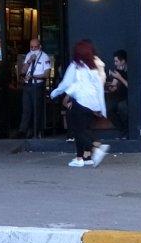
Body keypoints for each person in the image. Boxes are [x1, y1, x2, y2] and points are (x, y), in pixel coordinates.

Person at [50, 39, 109, 167]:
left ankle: (96, 146)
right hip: (93, 103)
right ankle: (85, 158)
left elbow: (66, 83)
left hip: (81, 101)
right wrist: (102, 107)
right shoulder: (95, 66)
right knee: (84, 128)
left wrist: (55, 93)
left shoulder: (75, 66)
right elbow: (99, 87)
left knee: (78, 130)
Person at [19, 38, 51, 137]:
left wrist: (34, 76)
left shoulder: (44, 57)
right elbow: (23, 71)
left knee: (36, 108)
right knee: (26, 108)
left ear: (40, 47)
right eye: (31, 47)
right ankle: (23, 130)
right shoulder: (29, 55)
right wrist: (29, 62)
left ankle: (35, 130)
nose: (33, 49)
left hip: (37, 84)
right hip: (28, 84)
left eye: (35, 47)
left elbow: (46, 74)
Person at [105, 49, 129, 139]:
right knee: (109, 110)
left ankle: (128, 131)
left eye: (116, 61)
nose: (115, 63)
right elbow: (114, 85)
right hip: (120, 96)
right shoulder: (118, 70)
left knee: (122, 107)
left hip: (128, 97)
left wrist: (120, 77)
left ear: (123, 61)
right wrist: (111, 86)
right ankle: (123, 131)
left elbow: (131, 87)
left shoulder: (130, 70)